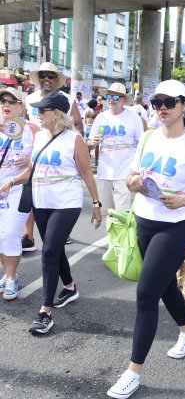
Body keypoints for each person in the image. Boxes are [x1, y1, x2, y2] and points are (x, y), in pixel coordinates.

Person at [107, 80, 185, 398]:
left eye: (169, 102)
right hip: (144, 221)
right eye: (156, 102)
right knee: (166, 286)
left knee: (146, 294)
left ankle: (133, 372)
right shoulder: (148, 137)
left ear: (184, 105)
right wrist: (133, 183)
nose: (162, 108)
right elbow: (132, 174)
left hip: (176, 227)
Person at [0, 92, 102, 333]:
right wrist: (13, 182)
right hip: (41, 201)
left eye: (42, 110)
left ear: (55, 112)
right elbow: (32, 169)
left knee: (48, 252)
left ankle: (45, 311)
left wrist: (97, 205)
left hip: (66, 203)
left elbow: (87, 172)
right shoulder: (40, 136)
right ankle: (69, 287)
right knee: (54, 250)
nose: (37, 114)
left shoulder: (74, 138)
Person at [23, 62, 84, 251]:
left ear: (57, 79)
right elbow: (24, 122)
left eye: (51, 76)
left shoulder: (67, 99)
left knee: (55, 191)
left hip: (58, 154)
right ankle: (28, 235)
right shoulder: (30, 98)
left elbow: (77, 124)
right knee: (31, 193)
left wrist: (74, 148)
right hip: (33, 151)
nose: (46, 79)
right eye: (43, 75)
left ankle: (59, 230)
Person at [0, 87, 36, 300]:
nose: (7, 104)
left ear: (21, 106)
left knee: (10, 233)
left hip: (18, 189)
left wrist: (30, 161)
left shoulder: (32, 129)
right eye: (3, 100)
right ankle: (6, 273)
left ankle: (12, 277)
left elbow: (43, 157)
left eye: (12, 101)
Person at [86, 83, 144, 216]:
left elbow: (141, 144)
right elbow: (88, 142)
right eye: (109, 96)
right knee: (108, 213)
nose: (111, 99)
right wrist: (91, 142)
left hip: (124, 173)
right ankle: (112, 237)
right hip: (104, 173)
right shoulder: (101, 118)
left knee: (121, 214)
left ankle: (122, 237)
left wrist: (137, 171)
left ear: (123, 99)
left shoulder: (134, 118)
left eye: (116, 97)